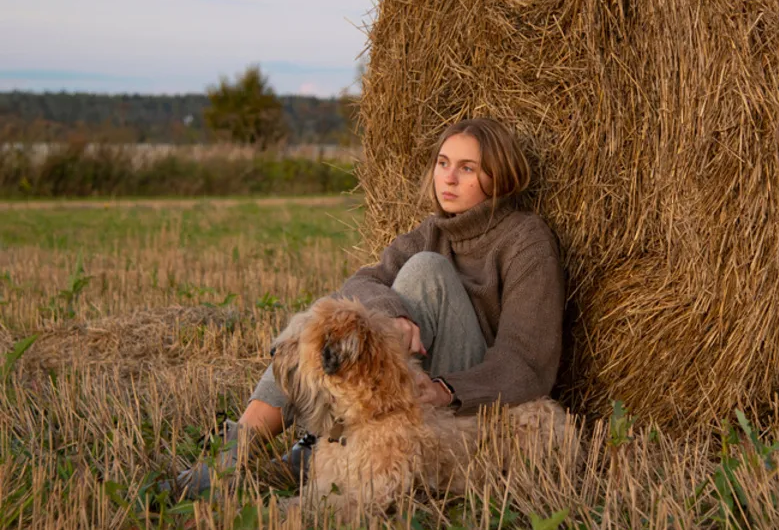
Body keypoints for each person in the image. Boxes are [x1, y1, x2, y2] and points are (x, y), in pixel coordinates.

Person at [177, 117, 566, 496]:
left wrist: (447, 389)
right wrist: (394, 312)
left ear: (501, 176)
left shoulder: (525, 241)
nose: (448, 178)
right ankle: (238, 451)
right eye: (443, 163)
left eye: (468, 168)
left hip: (475, 391)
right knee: (326, 316)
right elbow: (361, 282)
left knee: (425, 270)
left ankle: (313, 443)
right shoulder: (432, 231)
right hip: (407, 384)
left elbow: (525, 361)